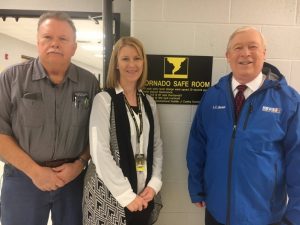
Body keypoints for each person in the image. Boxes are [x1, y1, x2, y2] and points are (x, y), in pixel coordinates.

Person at [186, 26, 300, 225]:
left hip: (264, 216)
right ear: (228, 56)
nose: (245, 53)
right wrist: (196, 187)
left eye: (252, 47)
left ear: (264, 53)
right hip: (216, 212)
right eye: (238, 48)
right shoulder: (213, 96)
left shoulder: (288, 101)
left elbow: (297, 160)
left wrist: (295, 216)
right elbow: (197, 144)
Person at [0, 11, 99, 225]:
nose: (55, 44)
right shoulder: (11, 79)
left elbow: (97, 132)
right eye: (47, 37)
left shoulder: (89, 83)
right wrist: (34, 171)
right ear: (37, 42)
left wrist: (80, 164)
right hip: (23, 179)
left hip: (72, 180)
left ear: (74, 47)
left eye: (63, 39)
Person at [82, 36, 163, 225]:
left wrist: (154, 184)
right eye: (125, 58)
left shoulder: (149, 103)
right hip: (109, 197)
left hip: (144, 196)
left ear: (143, 62)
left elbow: (157, 146)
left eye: (137, 58)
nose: (132, 64)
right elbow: (99, 152)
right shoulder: (104, 100)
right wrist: (127, 196)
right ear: (116, 64)